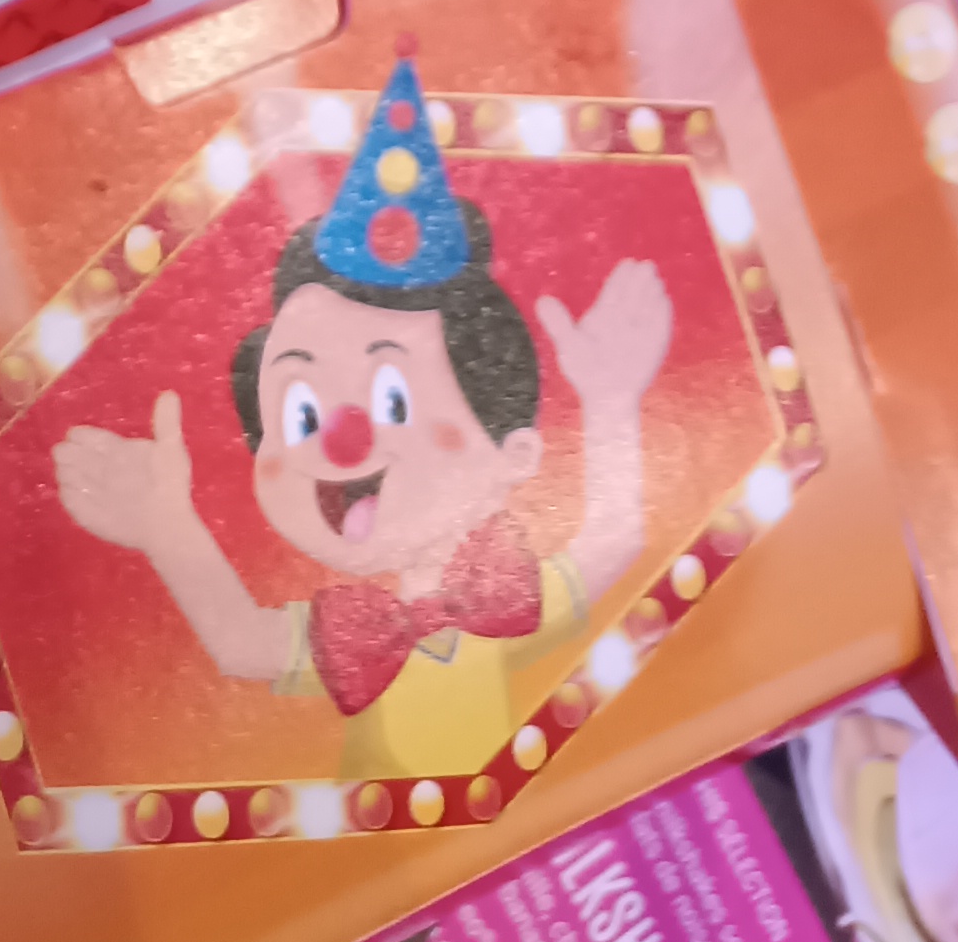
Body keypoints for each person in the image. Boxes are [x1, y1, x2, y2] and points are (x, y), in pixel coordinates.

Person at [54, 61, 673, 782]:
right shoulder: (348, 638)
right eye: (300, 412)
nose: (340, 437)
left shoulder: (512, 601)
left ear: (518, 455)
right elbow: (240, 643)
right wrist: (170, 528)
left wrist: (610, 402)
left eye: (394, 401)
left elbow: (617, 538)